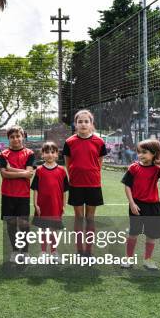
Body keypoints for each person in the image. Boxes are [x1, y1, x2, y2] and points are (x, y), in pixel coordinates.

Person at [62, 109, 107, 257]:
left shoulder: (99, 142)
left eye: (86, 121)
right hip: (76, 185)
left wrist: (91, 174)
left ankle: (89, 251)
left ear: (91, 124)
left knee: (90, 218)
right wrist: (75, 176)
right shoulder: (69, 142)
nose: (83, 124)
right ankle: (79, 250)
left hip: (93, 185)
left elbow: (99, 163)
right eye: (80, 121)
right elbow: (68, 164)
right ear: (75, 124)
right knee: (79, 218)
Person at [121, 139, 160, 270]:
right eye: (139, 152)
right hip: (137, 206)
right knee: (133, 233)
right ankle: (128, 258)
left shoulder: (157, 169)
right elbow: (127, 186)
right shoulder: (134, 168)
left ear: (154, 153)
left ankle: (148, 260)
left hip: (154, 207)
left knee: (152, 235)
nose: (141, 155)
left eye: (145, 152)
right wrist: (131, 203)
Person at [0, 125, 36, 261]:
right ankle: (14, 250)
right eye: (12, 137)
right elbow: (4, 175)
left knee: (24, 223)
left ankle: (25, 251)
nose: (15, 139)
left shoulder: (29, 153)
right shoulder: (3, 154)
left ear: (23, 137)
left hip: (23, 195)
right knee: (11, 223)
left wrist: (10, 168)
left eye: (18, 136)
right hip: (8, 194)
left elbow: (29, 175)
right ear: (8, 139)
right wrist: (22, 172)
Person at [32, 142, 69, 260]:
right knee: (43, 229)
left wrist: (64, 205)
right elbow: (35, 189)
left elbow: (65, 190)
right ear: (42, 154)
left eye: (53, 152)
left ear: (57, 154)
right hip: (42, 205)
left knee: (53, 229)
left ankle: (54, 252)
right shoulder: (39, 170)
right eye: (47, 152)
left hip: (56, 205)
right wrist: (35, 204)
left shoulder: (62, 170)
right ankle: (43, 252)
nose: (50, 155)